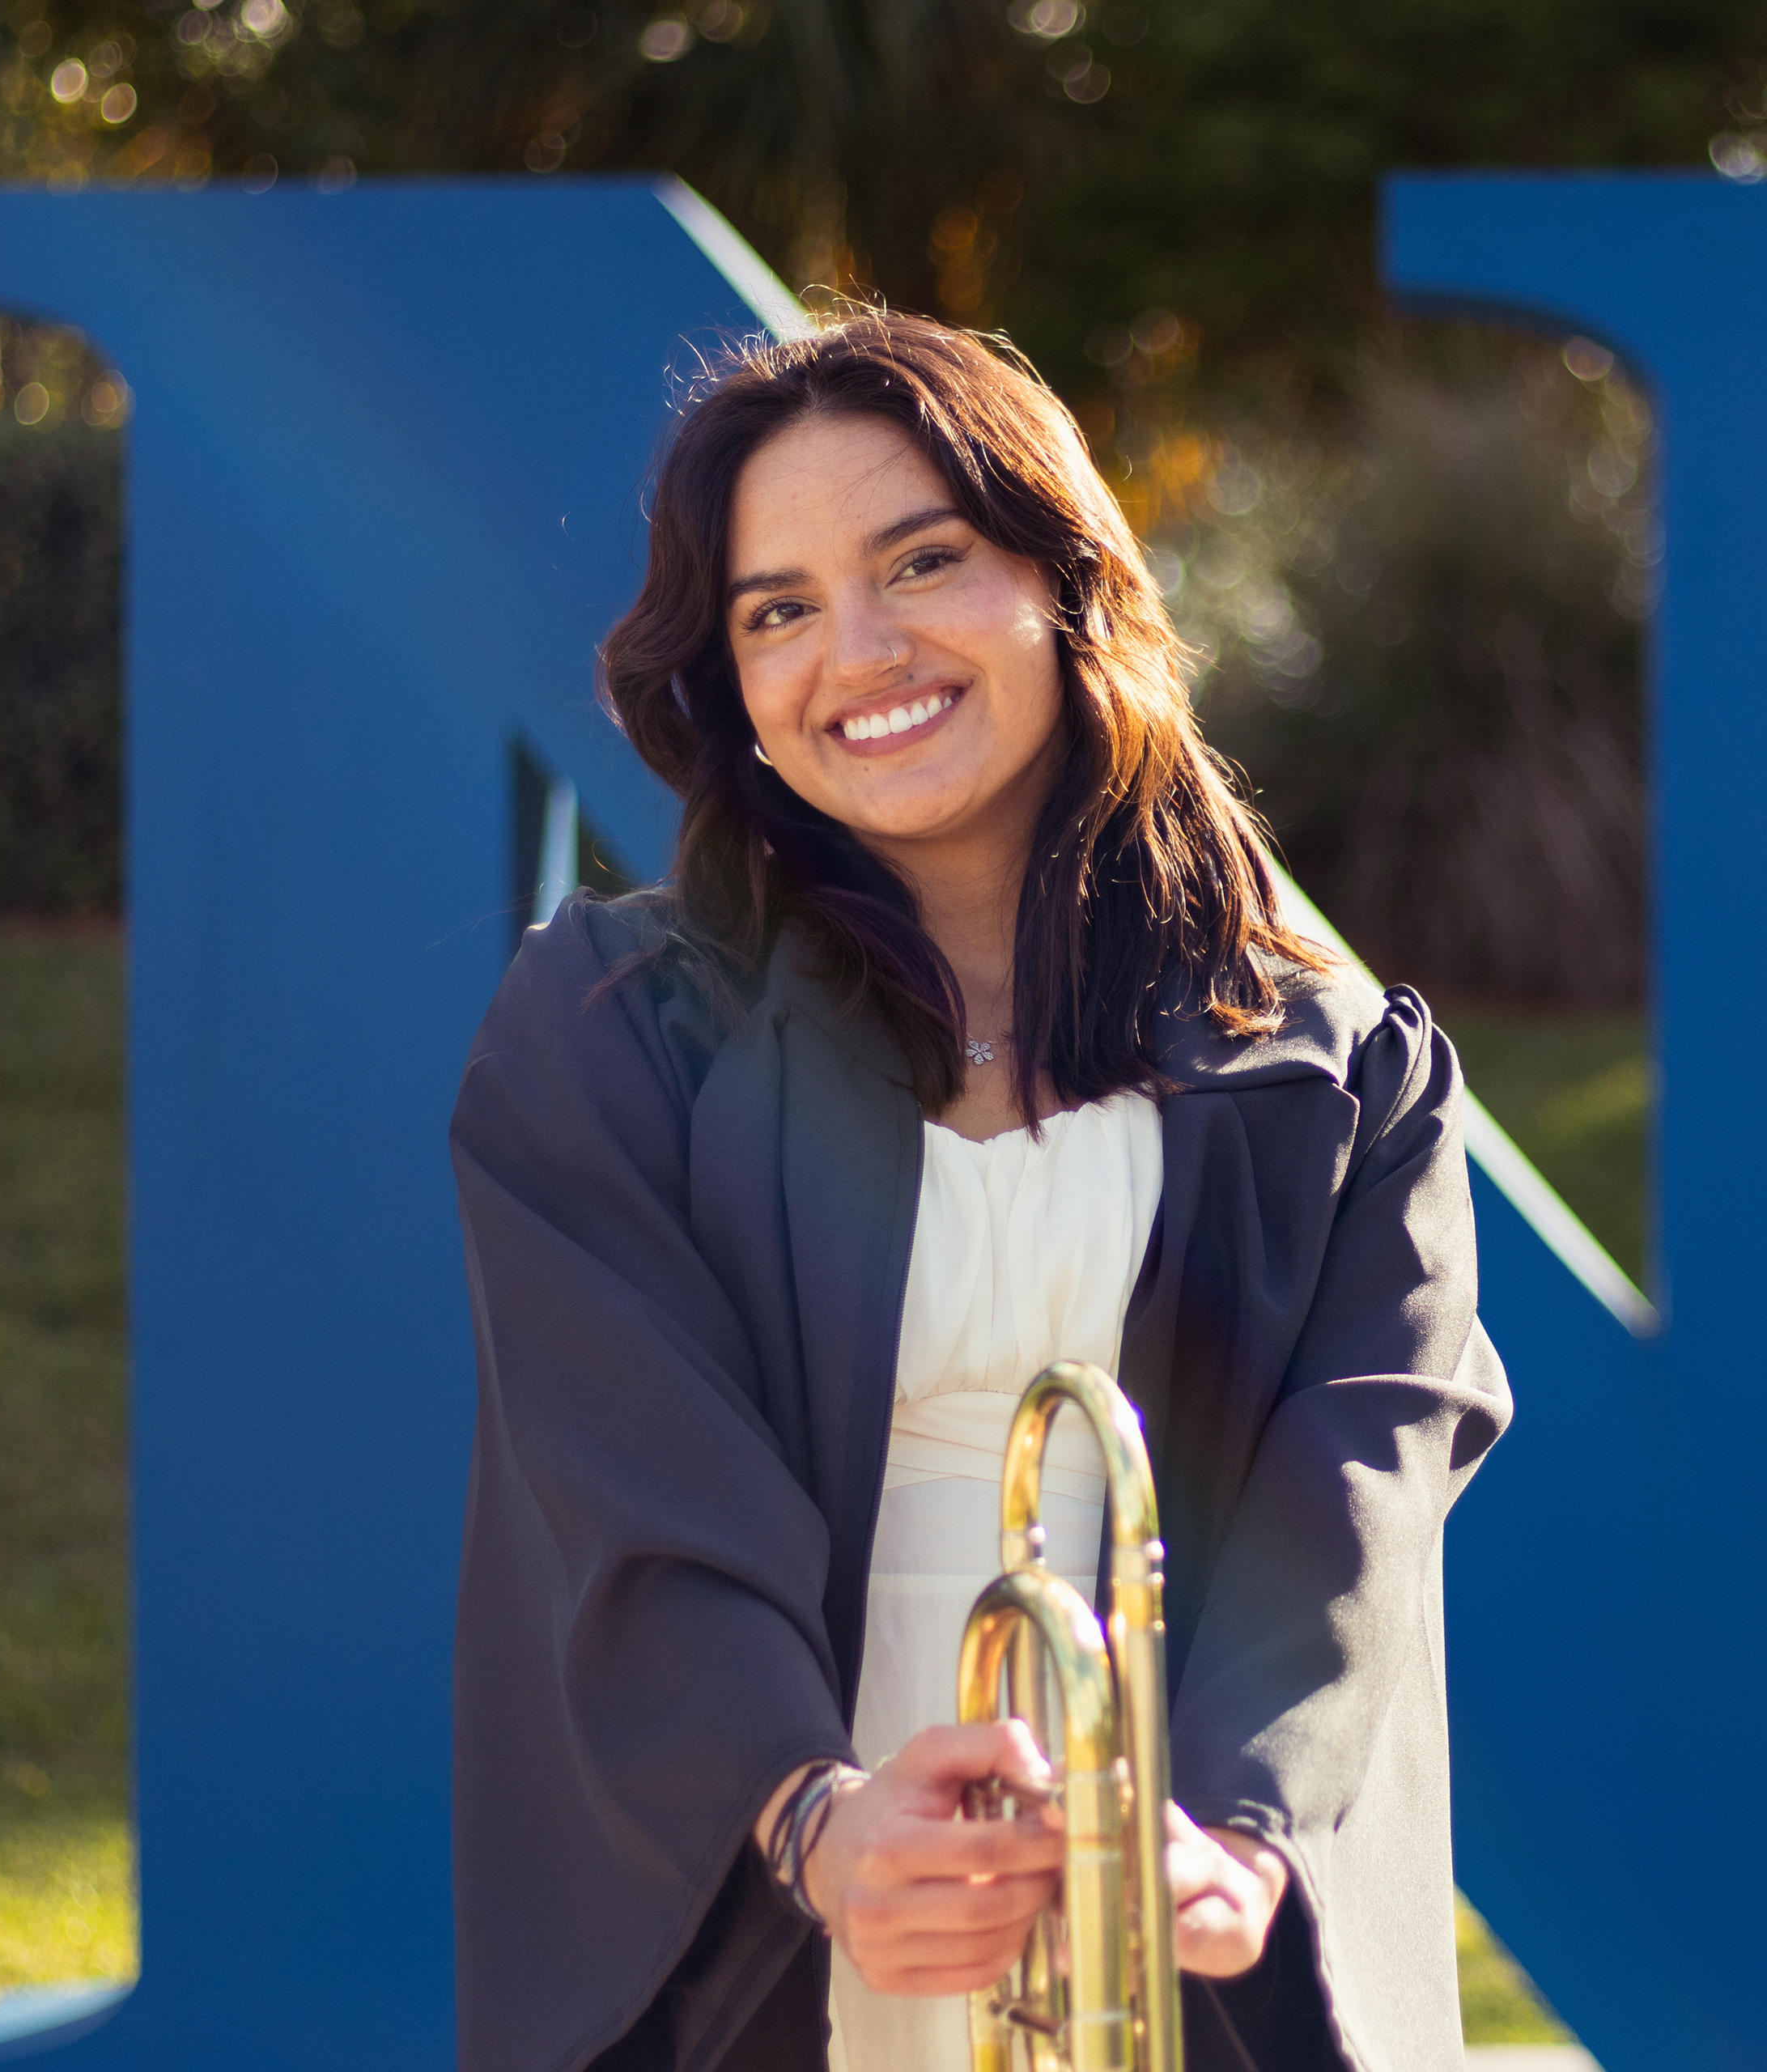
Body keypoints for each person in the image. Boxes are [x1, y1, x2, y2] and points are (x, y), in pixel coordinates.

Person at [447, 306, 1508, 2072]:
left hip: (1169, 1897)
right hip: (786, 1892)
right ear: (728, 681)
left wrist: (1238, 1842)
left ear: (1064, 579)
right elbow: (634, 1485)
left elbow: (1359, 1491)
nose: (857, 651)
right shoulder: (615, 1034)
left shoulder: (1335, 1070)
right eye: (776, 609)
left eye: (922, 562)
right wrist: (813, 1816)